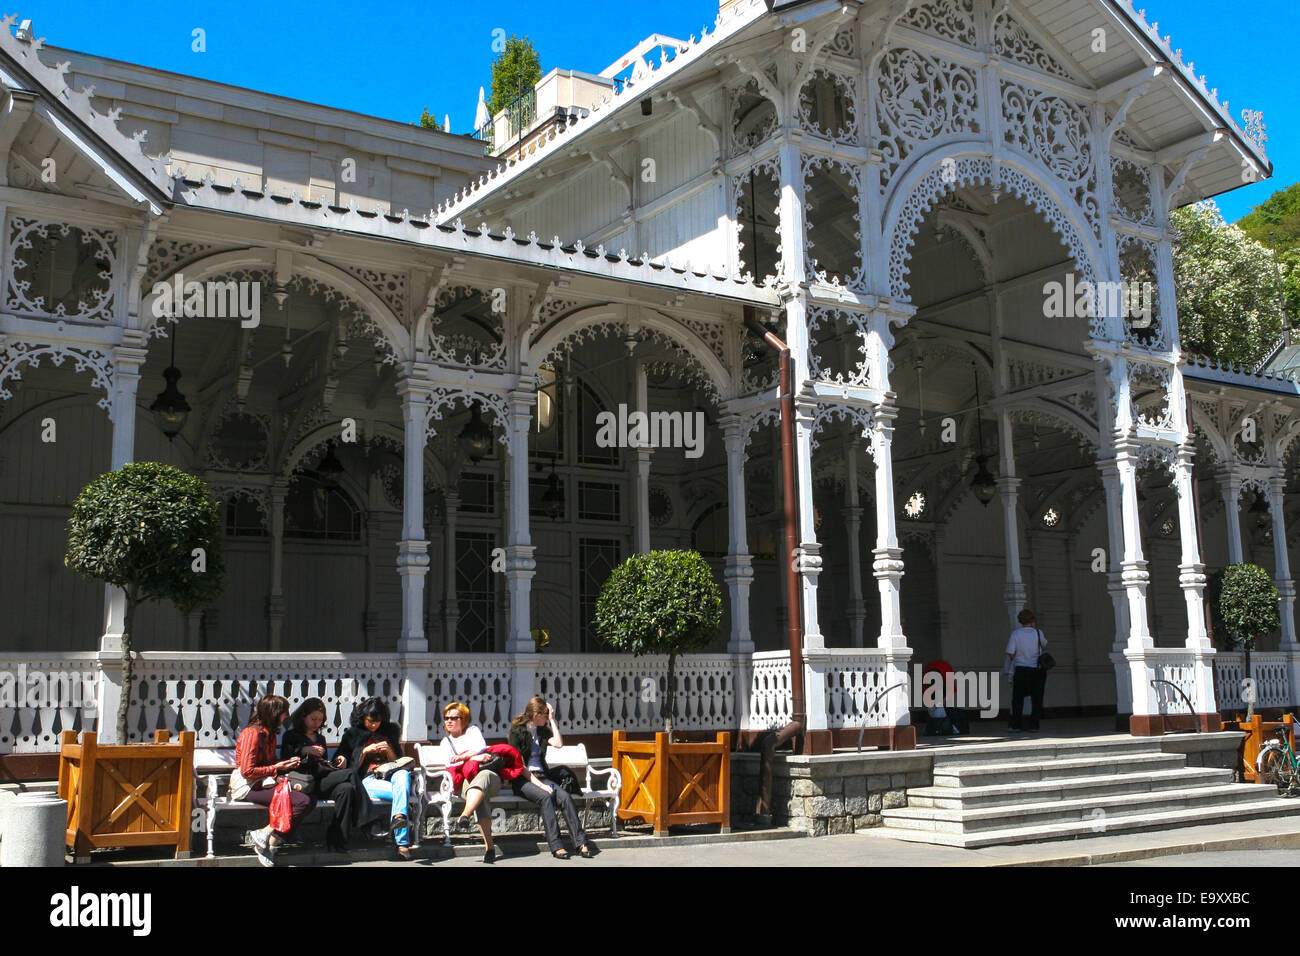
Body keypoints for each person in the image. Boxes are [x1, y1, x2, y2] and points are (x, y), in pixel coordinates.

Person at [508, 697, 591, 859]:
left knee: (565, 797)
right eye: (545, 715)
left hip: (542, 776)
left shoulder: (542, 731)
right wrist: (540, 785)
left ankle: (580, 842)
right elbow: (520, 766)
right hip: (522, 780)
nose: (547, 718)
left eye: (548, 716)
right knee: (546, 797)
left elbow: (558, 743)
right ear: (535, 715)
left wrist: (552, 719)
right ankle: (556, 845)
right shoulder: (516, 732)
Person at [236, 694, 314, 867]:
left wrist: (284, 765)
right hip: (249, 786)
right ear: (274, 713)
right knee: (301, 801)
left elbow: (269, 763)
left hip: (265, 781)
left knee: (310, 798)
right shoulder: (252, 734)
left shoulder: (270, 734)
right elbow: (247, 771)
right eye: (284, 712)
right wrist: (276, 768)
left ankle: (269, 843)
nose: (286, 716)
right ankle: (266, 836)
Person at [335, 697, 415, 860]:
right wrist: (364, 752)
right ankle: (402, 843)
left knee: (403, 774)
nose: (374, 725)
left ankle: (399, 817)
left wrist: (389, 751)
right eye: (370, 721)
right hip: (368, 779)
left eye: (377, 721)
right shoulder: (352, 734)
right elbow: (348, 767)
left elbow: (398, 762)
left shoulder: (389, 732)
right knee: (402, 795)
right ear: (363, 717)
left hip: (391, 774)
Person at [281, 697, 356, 854]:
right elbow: (285, 761)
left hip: (322, 779)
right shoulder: (291, 736)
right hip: (304, 782)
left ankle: (337, 838)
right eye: (313, 719)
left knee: (347, 789)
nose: (317, 723)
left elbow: (323, 764)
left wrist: (337, 761)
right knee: (350, 774)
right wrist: (303, 751)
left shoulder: (320, 738)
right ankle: (366, 818)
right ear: (303, 716)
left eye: (320, 720)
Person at [437, 701, 499, 863]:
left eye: (454, 717)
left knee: (484, 775)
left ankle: (465, 814)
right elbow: (450, 764)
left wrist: (466, 757)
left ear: (463, 719)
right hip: (464, 781)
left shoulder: (472, 731)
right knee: (479, 797)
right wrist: (474, 757)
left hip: (490, 778)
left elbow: (480, 747)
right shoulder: (445, 742)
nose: (449, 721)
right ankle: (489, 847)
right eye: (446, 718)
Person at [1004, 608, 1047, 732]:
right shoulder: (1039, 633)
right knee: (1037, 699)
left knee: (1018, 698)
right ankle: (1034, 725)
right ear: (1032, 620)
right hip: (1036, 670)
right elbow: (1044, 645)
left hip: (1021, 669)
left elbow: (1010, 653)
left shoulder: (1016, 634)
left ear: (1020, 621)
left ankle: (1016, 725)